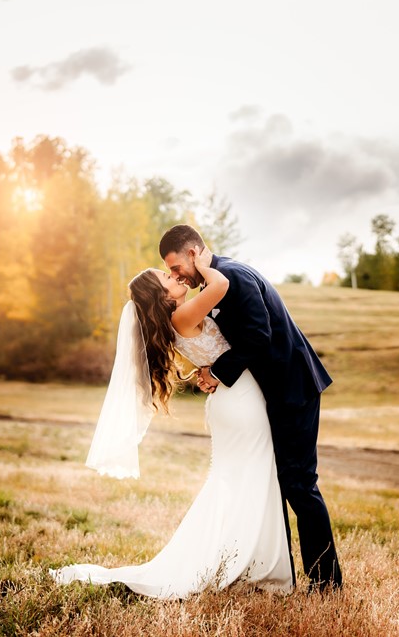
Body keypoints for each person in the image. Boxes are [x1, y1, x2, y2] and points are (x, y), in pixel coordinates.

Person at [50, 246, 293, 598]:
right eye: (168, 277)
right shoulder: (182, 316)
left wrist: (204, 369)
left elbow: (212, 349)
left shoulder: (178, 319)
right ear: (162, 297)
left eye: (173, 272)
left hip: (232, 397)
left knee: (242, 480)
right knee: (252, 477)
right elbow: (221, 283)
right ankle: (249, 565)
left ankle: (246, 560)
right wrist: (201, 261)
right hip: (240, 401)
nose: (176, 277)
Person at [160, 224, 342, 592]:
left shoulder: (233, 277)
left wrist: (218, 371)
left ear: (193, 253)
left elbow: (260, 336)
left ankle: (327, 583)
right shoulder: (218, 281)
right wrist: (209, 368)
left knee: (300, 485)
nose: (177, 275)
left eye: (177, 266)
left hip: (293, 389)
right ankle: (275, 569)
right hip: (270, 395)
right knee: (278, 482)